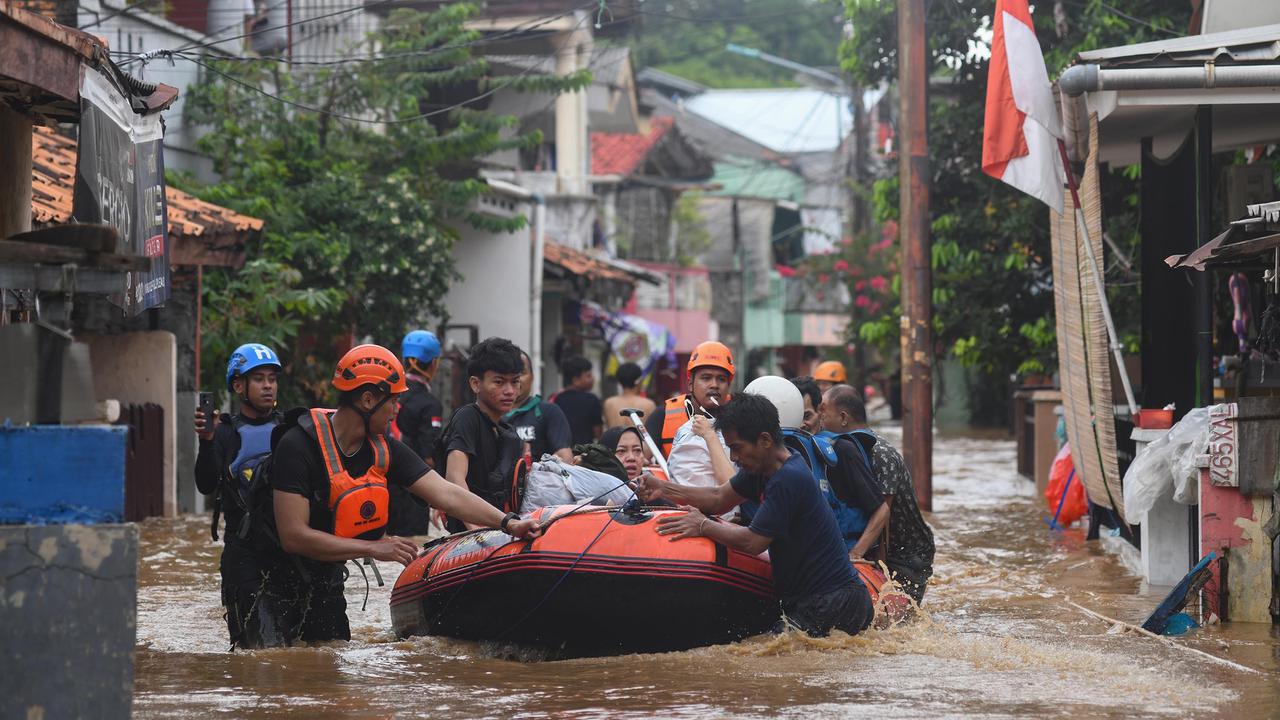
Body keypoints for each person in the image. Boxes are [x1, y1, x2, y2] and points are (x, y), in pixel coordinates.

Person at [269, 343, 541, 647]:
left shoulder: (384, 449)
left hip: (324, 574)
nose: (398, 409)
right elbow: (292, 535)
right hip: (268, 574)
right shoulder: (297, 446)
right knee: (270, 662)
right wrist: (373, 547)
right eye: (394, 400)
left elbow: (447, 494)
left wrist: (508, 523)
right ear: (368, 399)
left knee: (330, 659)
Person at [636, 393, 874, 637]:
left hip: (834, 602)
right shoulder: (762, 469)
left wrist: (703, 525)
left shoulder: (787, 478)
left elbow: (753, 541)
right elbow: (718, 498)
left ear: (765, 440)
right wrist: (664, 488)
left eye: (737, 448)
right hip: (816, 600)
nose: (733, 457)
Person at [193, 342, 283, 649]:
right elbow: (205, 485)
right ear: (238, 385)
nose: (268, 385)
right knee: (257, 649)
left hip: (286, 551)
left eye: (272, 378)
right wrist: (206, 442)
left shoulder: (289, 430)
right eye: (259, 379)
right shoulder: (224, 432)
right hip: (243, 554)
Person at [821, 384, 935, 604]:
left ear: (843, 417)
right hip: (880, 549)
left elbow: (883, 516)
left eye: (824, 412)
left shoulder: (879, 454)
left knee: (899, 626)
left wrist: (859, 556)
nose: (820, 419)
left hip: (906, 555)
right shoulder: (845, 450)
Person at [438, 337, 527, 533]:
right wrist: (475, 529)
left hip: (500, 530)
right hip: (470, 536)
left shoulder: (507, 430)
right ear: (476, 384)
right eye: (499, 382)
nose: (509, 391)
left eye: (515, 382)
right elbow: (455, 479)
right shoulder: (467, 418)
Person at [387, 330, 444, 535]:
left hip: (382, 487)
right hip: (412, 491)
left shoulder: (387, 393)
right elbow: (429, 455)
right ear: (433, 363)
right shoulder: (429, 404)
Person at [644, 340, 735, 463]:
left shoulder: (741, 415)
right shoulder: (663, 416)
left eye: (721, 379)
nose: (714, 385)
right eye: (706, 378)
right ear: (690, 384)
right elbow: (642, 458)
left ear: (729, 385)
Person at [506, 349, 574, 463]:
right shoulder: (486, 415)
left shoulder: (549, 411)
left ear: (532, 376)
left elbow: (565, 456)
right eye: (507, 374)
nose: (515, 379)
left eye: (521, 373)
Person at [553, 355, 604, 445]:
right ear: (576, 380)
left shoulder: (557, 398)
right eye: (588, 376)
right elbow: (598, 433)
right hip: (585, 452)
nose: (592, 379)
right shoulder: (592, 399)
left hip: (561, 450)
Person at [603, 362, 655, 430]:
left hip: (614, 440)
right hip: (638, 440)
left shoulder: (609, 403)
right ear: (638, 381)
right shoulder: (649, 404)